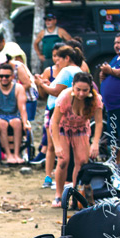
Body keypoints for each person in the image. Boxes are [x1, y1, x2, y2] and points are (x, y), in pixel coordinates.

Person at [35, 45, 83, 205]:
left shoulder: (66, 71)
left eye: (58, 58)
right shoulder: (82, 68)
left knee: (55, 151)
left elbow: (55, 92)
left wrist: (41, 84)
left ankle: (54, 184)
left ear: (66, 58)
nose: (56, 61)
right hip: (76, 119)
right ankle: (72, 190)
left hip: (60, 115)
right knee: (76, 159)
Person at [50, 72, 103, 207]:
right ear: (73, 86)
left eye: (85, 90)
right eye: (78, 89)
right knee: (63, 160)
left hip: (81, 129)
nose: (81, 94)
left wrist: (95, 143)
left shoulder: (95, 99)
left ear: (90, 89)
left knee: (82, 161)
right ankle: (59, 194)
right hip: (62, 128)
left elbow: (98, 122)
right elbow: (54, 123)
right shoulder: (65, 97)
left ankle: (75, 193)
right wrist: (57, 145)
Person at [0, 63, 30, 165]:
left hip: (13, 114)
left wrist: (25, 122)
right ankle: (8, 154)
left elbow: (22, 108)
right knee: (2, 124)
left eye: (7, 76)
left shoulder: (18, 88)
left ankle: (17, 154)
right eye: (1, 76)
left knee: (17, 122)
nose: (4, 78)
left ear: (12, 77)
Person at [100, 33, 120, 166]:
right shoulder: (116, 58)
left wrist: (110, 71)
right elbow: (109, 71)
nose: (117, 45)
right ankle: (114, 161)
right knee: (113, 134)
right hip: (112, 106)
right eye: (115, 42)